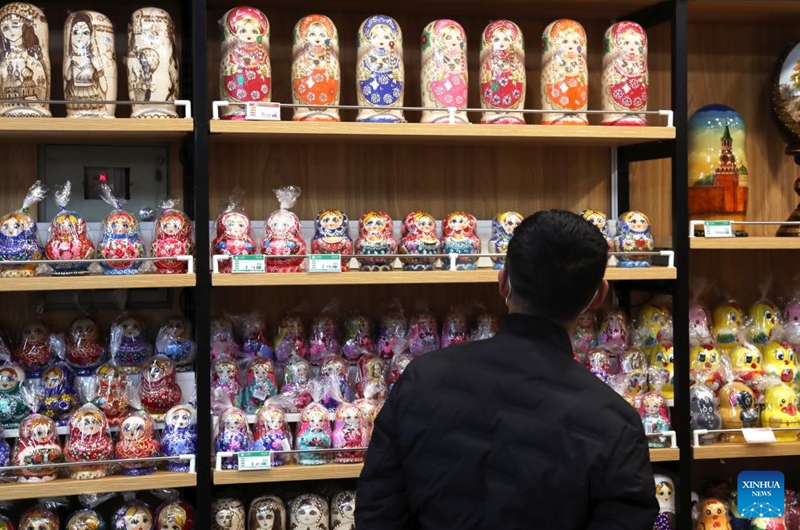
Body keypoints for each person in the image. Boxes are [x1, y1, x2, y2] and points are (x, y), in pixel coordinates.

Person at [355, 209, 658, 530]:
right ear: (599, 295)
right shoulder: (614, 421)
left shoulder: (421, 379)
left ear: (503, 281)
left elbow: (378, 508)